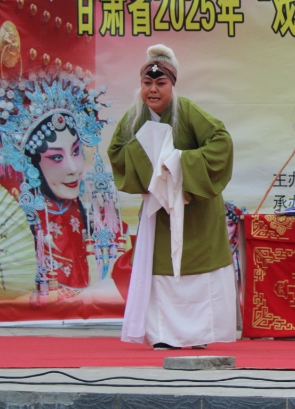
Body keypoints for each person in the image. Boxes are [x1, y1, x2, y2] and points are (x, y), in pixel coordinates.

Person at [108, 44, 236, 350]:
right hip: (160, 212)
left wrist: (178, 163)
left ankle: (199, 335)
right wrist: (149, 163)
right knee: (161, 271)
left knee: (199, 273)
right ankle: (164, 335)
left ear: (172, 85)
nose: (153, 90)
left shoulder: (187, 110)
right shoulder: (134, 118)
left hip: (196, 208)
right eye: (147, 83)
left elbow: (221, 143)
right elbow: (117, 153)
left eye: (160, 83)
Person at [0, 71, 124, 303]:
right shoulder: (21, 222)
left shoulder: (93, 215)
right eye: (56, 157)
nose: (73, 168)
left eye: (76, 151)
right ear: (32, 165)